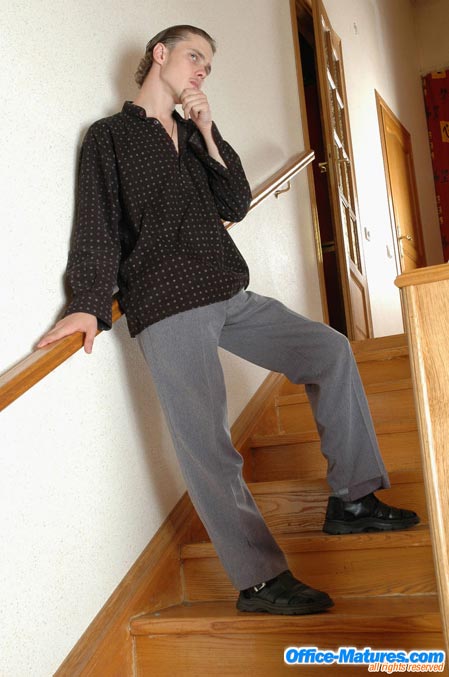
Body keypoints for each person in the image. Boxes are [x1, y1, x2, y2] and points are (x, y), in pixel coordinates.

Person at [37, 25, 419, 616]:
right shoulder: (109, 137)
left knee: (330, 350)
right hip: (168, 304)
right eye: (195, 57)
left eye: (208, 66)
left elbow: (235, 201)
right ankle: (259, 580)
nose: (201, 71)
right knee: (209, 443)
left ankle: (354, 500)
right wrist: (86, 303)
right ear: (159, 54)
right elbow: (96, 227)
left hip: (227, 290)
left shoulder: (195, 135)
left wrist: (208, 129)